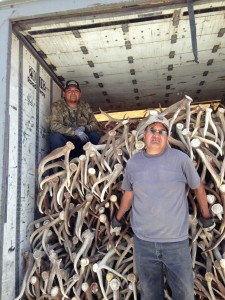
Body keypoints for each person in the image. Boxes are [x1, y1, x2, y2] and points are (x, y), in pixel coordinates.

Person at [111, 115, 215, 300]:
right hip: (144, 243)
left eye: (162, 132)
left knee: (184, 295)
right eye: (153, 130)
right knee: (150, 295)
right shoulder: (134, 163)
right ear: (144, 134)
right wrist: (117, 219)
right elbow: (128, 194)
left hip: (176, 243)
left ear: (167, 137)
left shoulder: (180, 160)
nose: (157, 135)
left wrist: (206, 217)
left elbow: (197, 187)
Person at [49, 80, 100, 158]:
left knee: (94, 135)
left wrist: (84, 128)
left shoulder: (85, 106)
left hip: (82, 143)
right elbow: (54, 126)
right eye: (69, 90)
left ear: (80, 94)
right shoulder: (57, 106)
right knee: (55, 137)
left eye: (76, 91)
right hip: (65, 143)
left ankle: (92, 162)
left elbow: (95, 124)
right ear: (64, 94)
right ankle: (62, 164)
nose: (73, 93)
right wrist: (74, 132)